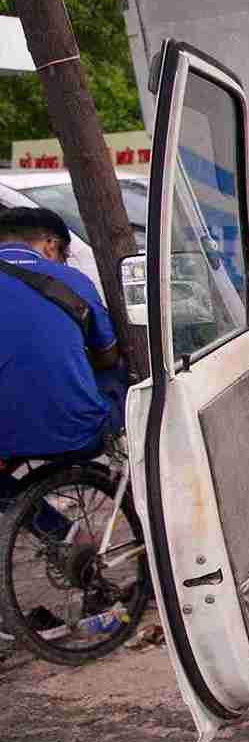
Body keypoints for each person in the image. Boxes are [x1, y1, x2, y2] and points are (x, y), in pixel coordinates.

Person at [0, 206, 126, 639]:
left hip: (5, 436)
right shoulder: (72, 281)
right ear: (51, 245)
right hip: (75, 431)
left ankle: (57, 528)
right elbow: (107, 353)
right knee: (116, 374)